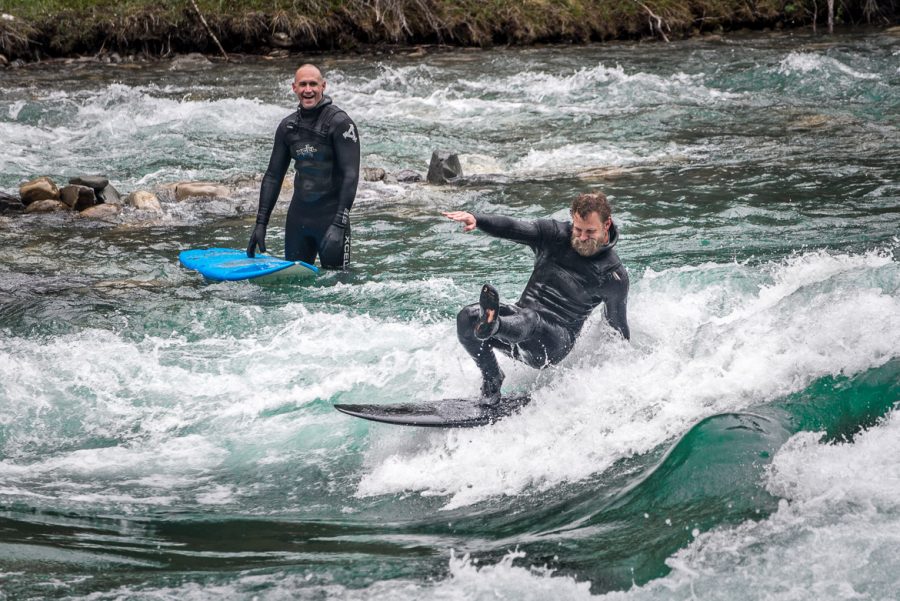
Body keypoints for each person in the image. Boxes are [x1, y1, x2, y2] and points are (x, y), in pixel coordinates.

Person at [443, 191, 630, 403]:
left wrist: (617, 380)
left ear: (606, 225)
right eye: (578, 229)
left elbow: (617, 331)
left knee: (529, 318)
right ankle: (492, 378)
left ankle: (492, 325)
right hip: (516, 324)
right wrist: (478, 220)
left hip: (552, 344)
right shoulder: (553, 235)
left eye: (590, 231)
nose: (582, 237)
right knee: (467, 317)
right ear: (572, 220)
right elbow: (513, 227)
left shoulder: (613, 276)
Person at [247, 64, 360, 270]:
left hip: (331, 219)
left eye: (313, 84)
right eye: (303, 84)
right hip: (298, 218)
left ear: (323, 86)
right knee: (295, 287)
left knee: (339, 288)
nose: (308, 90)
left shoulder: (341, 124)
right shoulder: (288, 127)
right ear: (294, 88)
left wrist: (339, 224)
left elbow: (350, 176)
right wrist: (261, 223)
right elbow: (273, 176)